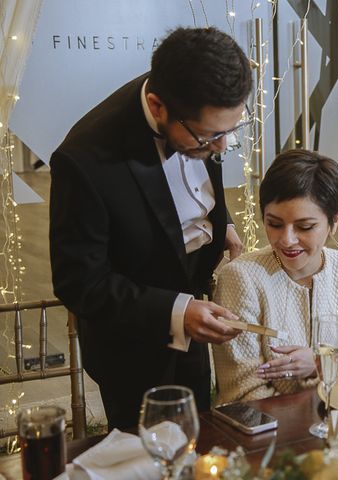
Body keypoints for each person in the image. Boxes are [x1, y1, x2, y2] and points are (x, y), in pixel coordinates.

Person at [49, 27, 253, 429]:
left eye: (232, 129)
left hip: (193, 319)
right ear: (158, 106)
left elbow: (185, 189)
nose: (222, 148)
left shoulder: (199, 106)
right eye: (210, 136)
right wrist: (177, 311)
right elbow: (79, 281)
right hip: (131, 347)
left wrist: (218, 220)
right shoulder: (84, 159)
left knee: (199, 442)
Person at [212, 149, 338, 404]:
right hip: (270, 433)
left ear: (334, 221)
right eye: (275, 224)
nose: (287, 240)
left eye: (305, 227)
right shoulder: (241, 277)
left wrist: (318, 364)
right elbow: (243, 392)